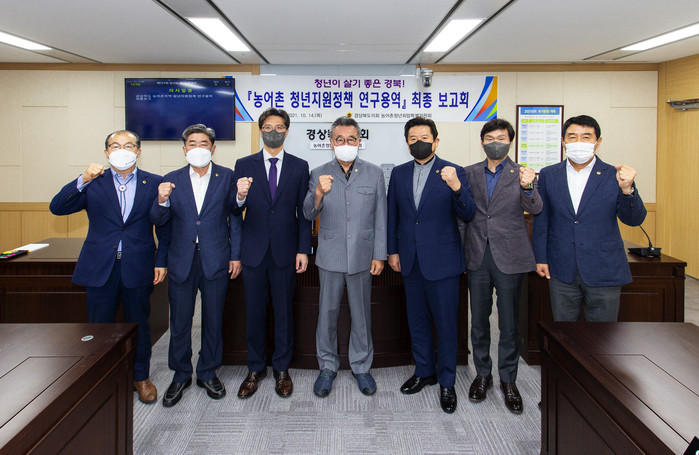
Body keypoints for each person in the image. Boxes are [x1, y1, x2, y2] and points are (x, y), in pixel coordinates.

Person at [50, 130, 169, 404]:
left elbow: (164, 226)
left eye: (128, 145)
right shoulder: (94, 182)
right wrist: (82, 179)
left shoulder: (155, 182)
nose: (122, 150)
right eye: (115, 146)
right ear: (106, 153)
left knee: (139, 324)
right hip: (99, 266)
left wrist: (161, 260)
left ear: (138, 151)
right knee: (99, 327)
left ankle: (141, 377)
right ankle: (100, 378)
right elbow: (57, 207)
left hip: (138, 264)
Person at [387, 117, 476, 413]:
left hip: (443, 261)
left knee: (446, 324)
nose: (419, 142)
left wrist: (457, 187)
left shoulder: (453, 171)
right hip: (410, 261)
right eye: (413, 138)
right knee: (418, 321)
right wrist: (392, 251)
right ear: (407, 143)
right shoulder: (398, 173)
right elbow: (393, 215)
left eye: (424, 137)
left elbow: (468, 213)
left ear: (436, 141)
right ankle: (424, 371)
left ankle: (447, 381)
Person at [151, 124, 242, 407]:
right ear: (184, 149)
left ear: (213, 148)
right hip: (181, 259)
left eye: (204, 143)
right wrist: (161, 201)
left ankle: (207, 372)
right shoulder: (171, 179)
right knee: (180, 321)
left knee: (213, 319)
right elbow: (160, 223)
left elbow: (235, 217)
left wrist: (235, 255)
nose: (198, 148)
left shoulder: (227, 176)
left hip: (216, 258)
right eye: (192, 143)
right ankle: (181, 374)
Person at [459, 118, 542, 415]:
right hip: (477, 255)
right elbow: (462, 214)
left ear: (511, 142)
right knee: (479, 321)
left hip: (510, 255)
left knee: (509, 323)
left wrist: (528, 186)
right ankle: (483, 375)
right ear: (482, 142)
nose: (496, 142)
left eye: (502, 138)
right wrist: (460, 253)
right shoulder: (468, 172)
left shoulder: (523, 173)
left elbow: (535, 208)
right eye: (490, 138)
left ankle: (509, 380)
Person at [303, 116, 387, 398]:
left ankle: (361, 367)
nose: (345, 144)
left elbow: (381, 218)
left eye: (351, 139)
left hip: (363, 256)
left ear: (359, 142)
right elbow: (308, 213)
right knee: (327, 313)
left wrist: (379, 255)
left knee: (361, 314)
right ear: (331, 143)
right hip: (330, 255)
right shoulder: (318, 173)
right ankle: (327, 366)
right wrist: (318, 192)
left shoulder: (375, 173)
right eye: (339, 139)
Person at [533, 114, 646, 322]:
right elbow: (542, 219)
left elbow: (634, 219)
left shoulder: (614, 175)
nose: (579, 142)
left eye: (586, 137)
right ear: (563, 141)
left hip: (604, 268)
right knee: (564, 333)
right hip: (561, 268)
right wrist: (540, 257)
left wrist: (627, 189)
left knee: (603, 335)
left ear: (597, 142)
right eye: (572, 136)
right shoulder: (549, 174)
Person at [232, 108, 311, 399]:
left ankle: (281, 368)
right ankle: (255, 368)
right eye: (267, 127)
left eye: (279, 127)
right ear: (260, 130)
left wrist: (303, 249)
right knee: (254, 312)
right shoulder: (244, 164)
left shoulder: (300, 166)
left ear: (287, 131)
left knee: (283, 312)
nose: (273, 131)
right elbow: (234, 209)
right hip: (253, 251)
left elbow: (303, 214)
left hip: (285, 251)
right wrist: (240, 195)